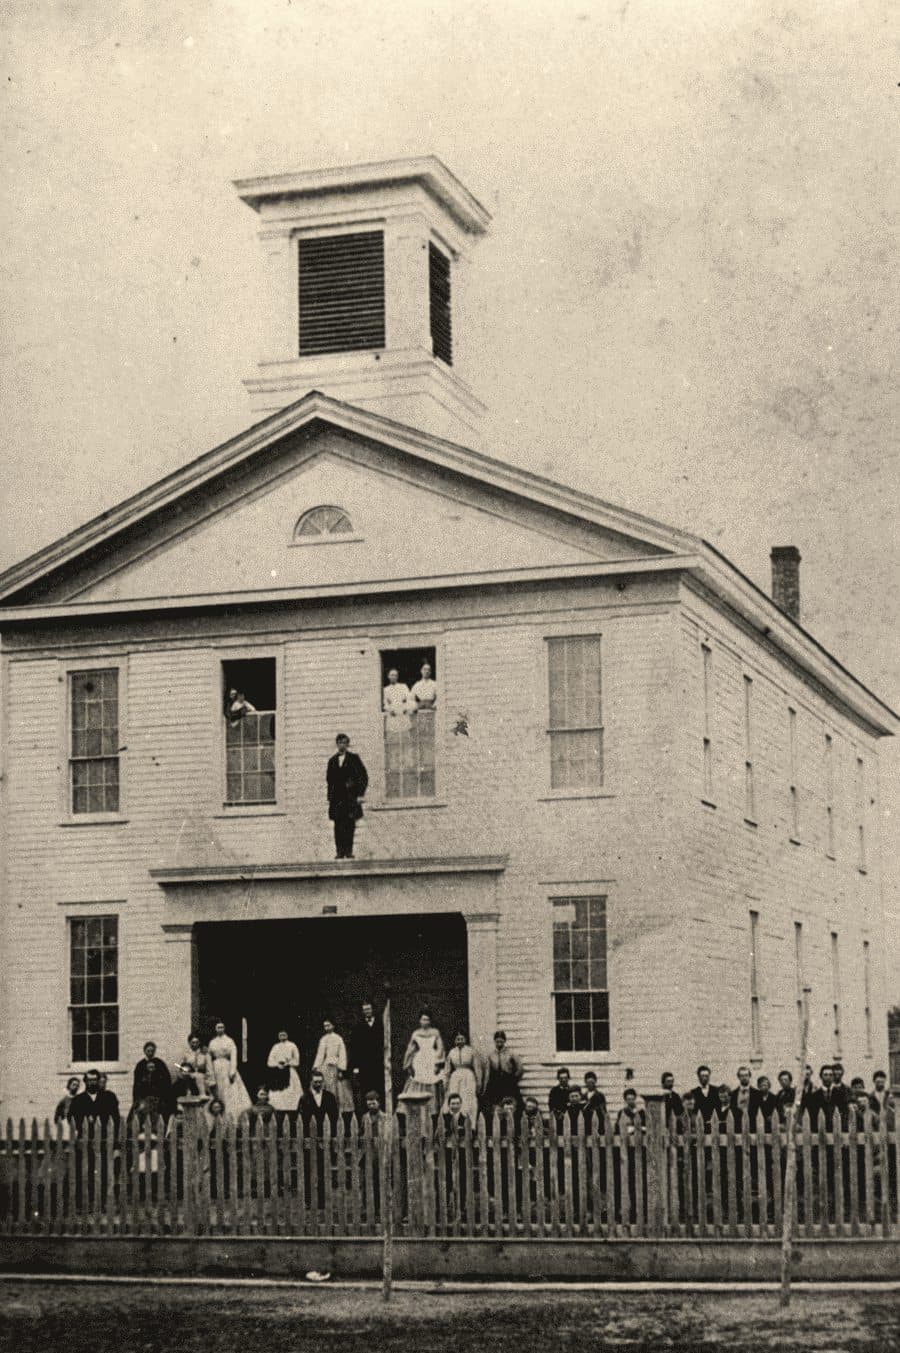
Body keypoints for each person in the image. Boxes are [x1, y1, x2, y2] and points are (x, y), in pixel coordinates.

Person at [326, 733, 368, 859]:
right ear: (337, 744)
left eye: (344, 742)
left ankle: (348, 851)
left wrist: (359, 793)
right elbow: (329, 780)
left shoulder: (354, 759)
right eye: (339, 743)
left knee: (349, 824)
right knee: (338, 825)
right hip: (337, 799)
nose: (342, 745)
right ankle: (339, 851)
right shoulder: (332, 761)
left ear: (347, 744)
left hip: (350, 798)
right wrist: (330, 796)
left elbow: (363, 777)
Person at [402, 1010, 446, 1114]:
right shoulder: (416, 1033)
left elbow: (440, 1048)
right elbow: (410, 1049)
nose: (425, 1022)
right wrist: (407, 1063)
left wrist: (438, 1063)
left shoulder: (435, 1032)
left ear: (430, 1021)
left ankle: (433, 1109)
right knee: (419, 1081)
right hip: (420, 1059)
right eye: (423, 1019)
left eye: (427, 1019)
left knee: (432, 1081)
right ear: (419, 1020)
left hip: (432, 1057)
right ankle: (419, 1109)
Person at [208, 1020, 252, 1118]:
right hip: (216, 1068)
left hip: (227, 1067)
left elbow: (233, 1055)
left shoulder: (229, 1041)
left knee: (229, 1091)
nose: (220, 1029)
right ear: (215, 1029)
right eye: (218, 1027)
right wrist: (210, 1073)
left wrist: (232, 1071)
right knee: (217, 1090)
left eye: (222, 1027)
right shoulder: (212, 1042)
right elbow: (209, 1057)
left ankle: (230, 1116)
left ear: (224, 1028)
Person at [313, 1019, 355, 1116]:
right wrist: (316, 1066)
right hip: (326, 1067)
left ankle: (338, 1110)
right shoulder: (323, 1039)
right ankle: (327, 1109)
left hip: (336, 1066)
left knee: (338, 1089)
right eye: (325, 1026)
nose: (327, 1028)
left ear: (333, 1026)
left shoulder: (338, 1038)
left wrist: (341, 1069)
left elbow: (342, 1054)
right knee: (327, 1087)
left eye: (328, 1025)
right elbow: (320, 1054)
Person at [348, 1001, 384, 1106]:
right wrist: (355, 1066)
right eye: (364, 1010)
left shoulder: (381, 1024)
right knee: (365, 1090)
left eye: (368, 1009)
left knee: (379, 1088)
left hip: (378, 1063)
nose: (367, 1011)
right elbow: (355, 1048)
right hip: (364, 1064)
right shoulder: (358, 1026)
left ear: (372, 1009)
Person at [444, 1031, 482, 1124]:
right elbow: (447, 1069)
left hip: (468, 1076)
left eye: (462, 1039)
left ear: (465, 1040)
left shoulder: (471, 1051)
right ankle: (455, 1124)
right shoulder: (452, 1052)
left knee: (468, 1098)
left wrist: (478, 1082)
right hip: (455, 1077)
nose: (460, 1041)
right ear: (454, 1041)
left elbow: (477, 1068)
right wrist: (446, 1082)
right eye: (458, 1039)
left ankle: (470, 1125)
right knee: (454, 1098)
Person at [131, 1041, 174, 1120]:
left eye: (152, 1051)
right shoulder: (140, 1065)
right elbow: (136, 1084)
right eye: (148, 1051)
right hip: (144, 1096)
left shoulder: (159, 1063)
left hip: (158, 1096)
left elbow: (167, 1080)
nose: (150, 1053)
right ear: (144, 1051)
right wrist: (136, 1099)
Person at [266, 1029, 303, 1113]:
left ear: (287, 1035)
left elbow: (297, 1061)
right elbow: (269, 1061)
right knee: (277, 1093)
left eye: (284, 1034)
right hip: (278, 1072)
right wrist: (277, 1064)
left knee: (291, 1091)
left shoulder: (292, 1045)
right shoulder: (275, 1047)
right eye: (280, 1034)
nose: (282, 1036)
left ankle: (291, 1109)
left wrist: (287, 1063)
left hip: (289, 1071)